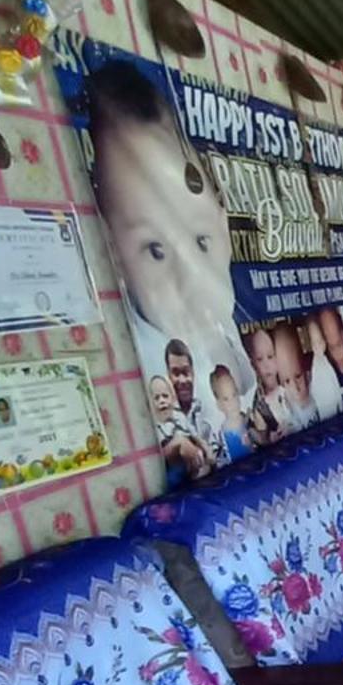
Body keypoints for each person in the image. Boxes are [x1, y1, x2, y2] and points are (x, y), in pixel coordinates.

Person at [86, 58, 251, 399]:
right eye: (155, 250)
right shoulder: (142, 381)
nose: (193, 282)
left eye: (202, 241)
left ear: (224, 229)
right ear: (114, 255)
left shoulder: (229, 331)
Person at [164, 338, 224, 468]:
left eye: (186, 372)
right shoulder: (164, 414)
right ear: (168, 375)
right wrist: (177, 444)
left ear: (193, 372)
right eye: (175, 373)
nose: (182, 380)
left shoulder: (207, 410)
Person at [148, 373, 210, 484]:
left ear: (173, 398)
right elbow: (160, 457)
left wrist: (204, 447)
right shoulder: (155, 430)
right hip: (173, 475)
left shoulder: (180, 419)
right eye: (156, 398)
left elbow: (194, 436)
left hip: (192, 468)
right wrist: (178, 443)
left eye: (165, 396)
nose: (162, 401)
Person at [272, 319, 318, 432]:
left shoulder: (318, 385)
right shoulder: (283, 409)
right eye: (287, 381)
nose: (295, 388)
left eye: (298, 376)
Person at [244, 326, 286, 448]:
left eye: (270, 356)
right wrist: (268, 439)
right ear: (253, 365)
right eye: (260, 359)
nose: (266, 365)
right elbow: (258, 436)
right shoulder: (258, 406)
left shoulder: (290, 387)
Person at [209, 366, 254, 462]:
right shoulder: (222, 435)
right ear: (219, 404)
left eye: (234, 394)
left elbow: (260, 440)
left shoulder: (248, 420)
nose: (233, 402)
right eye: (226, 399)